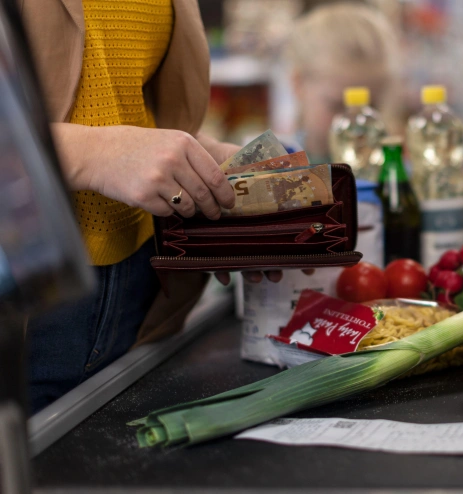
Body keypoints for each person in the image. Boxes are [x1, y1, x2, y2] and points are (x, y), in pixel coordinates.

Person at [20, 0, 275, 413]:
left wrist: (196, 163)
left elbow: (125, 103)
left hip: (145, 289)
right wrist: (92, 153)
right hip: (26, 296)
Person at [285, 2, 400, 163]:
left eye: (371, 107)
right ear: (298, 84)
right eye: (338, 106)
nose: (355, 127)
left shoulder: (398, 173)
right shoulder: (273, 172)